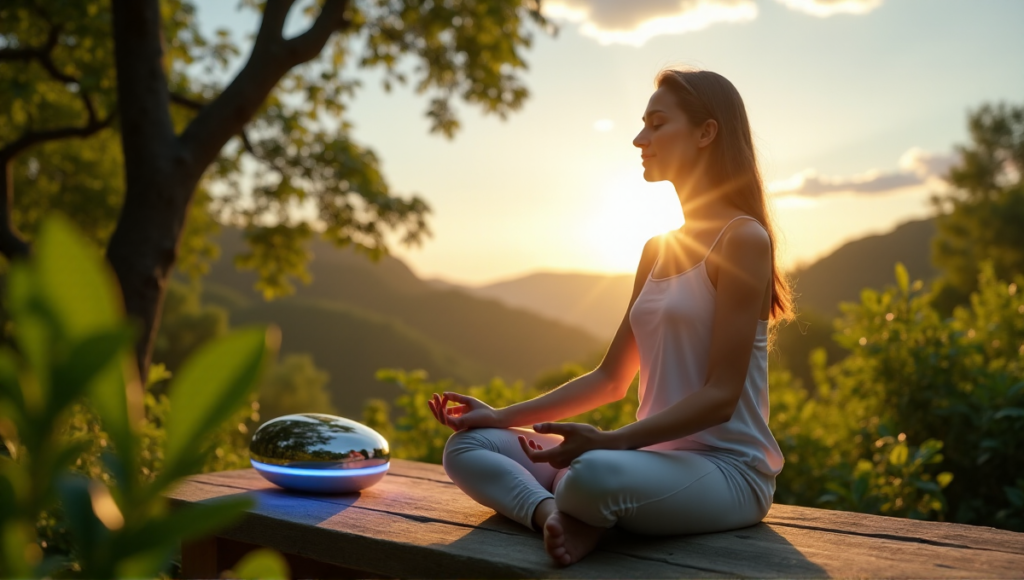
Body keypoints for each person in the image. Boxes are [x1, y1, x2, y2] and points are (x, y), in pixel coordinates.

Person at [426, 68, 793, 567]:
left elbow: (722, 396)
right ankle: (552, 515)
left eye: (657, 124)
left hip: (728, 472)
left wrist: (609, 443)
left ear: (707, 132)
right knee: (469, 447)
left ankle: (580, 506)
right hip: (646, 465)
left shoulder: (743, 239)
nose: (640, 138)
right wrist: (500, 416)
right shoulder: (657, 249)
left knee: (590, 475)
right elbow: (610, 378)